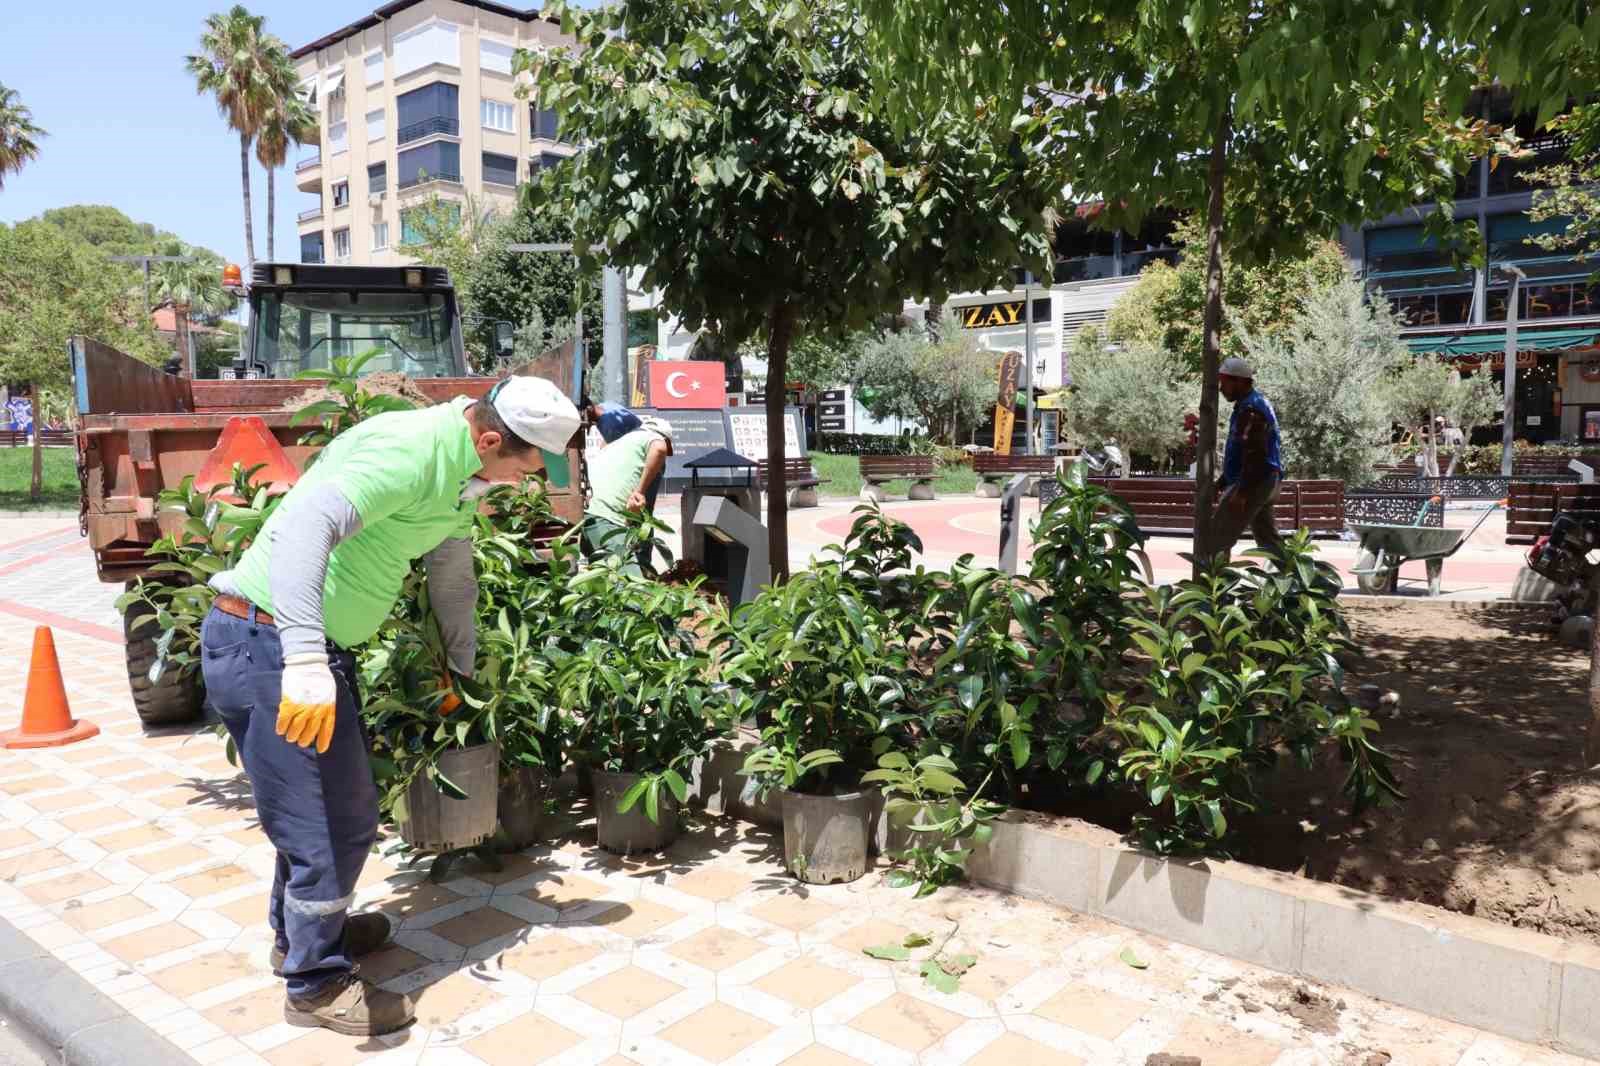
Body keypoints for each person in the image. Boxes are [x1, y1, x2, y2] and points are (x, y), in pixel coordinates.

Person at [201, 377, 580, 1037]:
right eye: (527, 467)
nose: (529, 481)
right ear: (490, 439)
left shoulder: (459, 474)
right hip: (270, 649)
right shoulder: (411, 454)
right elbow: (306, 527)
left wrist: (460, 670)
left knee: (332, 814)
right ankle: (314, 986)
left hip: (301, 649)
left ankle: (303, 938)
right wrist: (304, 658)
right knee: (324, 825)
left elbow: (452, 577)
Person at [1211, 356, 1283, 559]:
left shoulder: (1251, 409)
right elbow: (1244, 452)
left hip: (1254, 483)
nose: (1221, 388)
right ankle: (1297, 576)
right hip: (1265, 480)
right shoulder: (1254, 403)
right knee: (1269, 542)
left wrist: (1242, 492)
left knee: (1216, 539)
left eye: (1224, 382)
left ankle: (1213, 580)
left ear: (1240, 381)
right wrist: (1223, 481)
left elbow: (1255, 453)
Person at [581, 415, 673, 569]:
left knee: (603, 576)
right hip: (607, 520)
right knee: (628, 578)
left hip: (588, 518)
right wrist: (639, 492)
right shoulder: (654, 438)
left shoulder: (618, 444)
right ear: (665, 438)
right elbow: (660, 448)